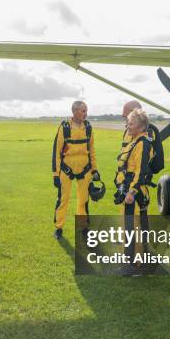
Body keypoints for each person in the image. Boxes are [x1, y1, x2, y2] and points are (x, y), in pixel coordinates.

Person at [114, 109, 154, 276]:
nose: (127, 126)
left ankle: (133, 265)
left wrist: (131, 191)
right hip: (130, 189)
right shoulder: (135, 141)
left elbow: (141, 171)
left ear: (141, 126)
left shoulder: (143, 144)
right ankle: (134, 261)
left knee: (132, 228)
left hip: (134, 193)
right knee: (129, 227)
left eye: (131, 123)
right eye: (127, 123)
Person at [52, 100, 100, 239]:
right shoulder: (65, 127)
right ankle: (59, 228)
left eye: (86, 110)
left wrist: (94, 169)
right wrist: (55, 174)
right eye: (83, 110)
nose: (86, 113)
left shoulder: (88, 127)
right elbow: (56, 151)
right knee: (63, 199)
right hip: (66, 170)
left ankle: (84, 227)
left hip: (85, 170)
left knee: (83, 200)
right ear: (75, 111)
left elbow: (91, 149)